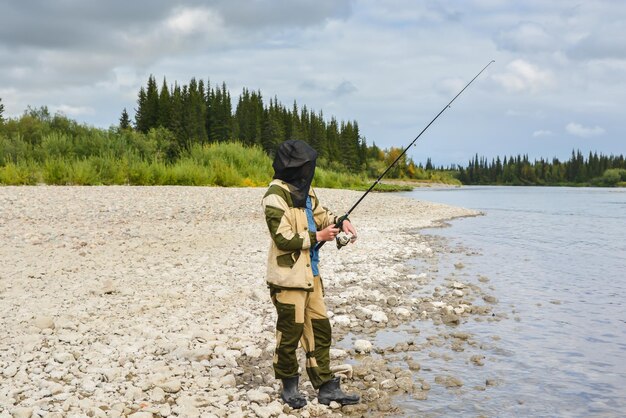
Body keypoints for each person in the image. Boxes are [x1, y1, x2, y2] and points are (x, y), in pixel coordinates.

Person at [261, 139, 360, 409]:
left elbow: (321, 214)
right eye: (305, 167)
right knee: (289, 334)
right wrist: (318, 236)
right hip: (288, 279)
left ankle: (326, 387)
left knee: (320, 330)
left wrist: (340, 222)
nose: (308, 172)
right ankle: (289, 387)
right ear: (293, 167)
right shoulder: (274, 196)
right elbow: (282, 238)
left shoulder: (307, 191)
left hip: (311, 275)